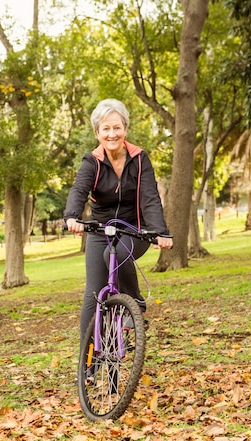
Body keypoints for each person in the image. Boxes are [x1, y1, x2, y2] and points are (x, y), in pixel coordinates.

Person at [64, 98, 173, 339]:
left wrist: (158, 231)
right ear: (97, 132)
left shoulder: (139, 158)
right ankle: (88, 364)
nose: (112, 134)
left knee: (116, 255)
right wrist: (72, 217)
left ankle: (134, 303)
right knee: (93, 295)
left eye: (117, 128)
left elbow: (150, 197)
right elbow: (79, 191)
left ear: (125, 129)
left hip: (134, 229)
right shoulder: (91, 161)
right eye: (106, 129)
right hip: (101, 231)